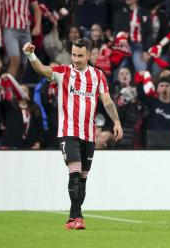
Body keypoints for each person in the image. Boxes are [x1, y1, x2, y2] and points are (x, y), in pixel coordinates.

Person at [23, 38, 123, 230]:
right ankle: (76, 218)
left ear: (89, 55)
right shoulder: (63, 72)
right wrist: (31, 55)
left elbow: (107, 101)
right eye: (74, 54)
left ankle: (74, 217)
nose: (76, 59)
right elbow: (43, 70)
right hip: (68, 132)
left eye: (80, 55)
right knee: (75, 173)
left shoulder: (98, 76)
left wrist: (116, 121)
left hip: (89, 135)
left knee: (83, 178)